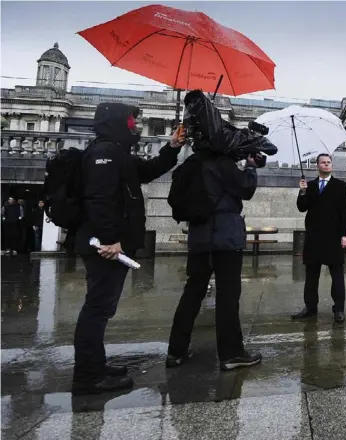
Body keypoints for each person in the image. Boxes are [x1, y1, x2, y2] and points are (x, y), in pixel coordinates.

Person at [71, 102, 185, 395]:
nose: (135, 125)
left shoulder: (116, 151)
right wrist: (111, 239)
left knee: (101, 308)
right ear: (117, 121)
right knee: (96, 310)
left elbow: (147, 171)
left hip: (110, 244)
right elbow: (98, 200)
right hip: (105, 247)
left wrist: (171, 146)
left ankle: (95, 365)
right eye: (132, 120)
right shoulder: (104, 153)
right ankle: (88, 376)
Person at [165, 152, 262, 371]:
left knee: (192, 293)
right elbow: (246, 189)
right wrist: (251, 166)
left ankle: (175, 351)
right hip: (225, 237)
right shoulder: (222, 163)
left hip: (199, 237)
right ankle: (231, 354)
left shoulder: (192, 162)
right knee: (228, 295)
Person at [291, 153, 346, 323]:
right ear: (317, 165)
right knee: (311, 275)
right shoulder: (309, 186)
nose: (327, 165)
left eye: (329, 162)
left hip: (334, 237)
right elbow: (302, 208)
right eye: (323, 163)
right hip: (314, 237)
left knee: (337, 275)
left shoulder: (341, 186)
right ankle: (310, 307)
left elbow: (345, 212)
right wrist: (302, 192)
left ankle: (339, 309)